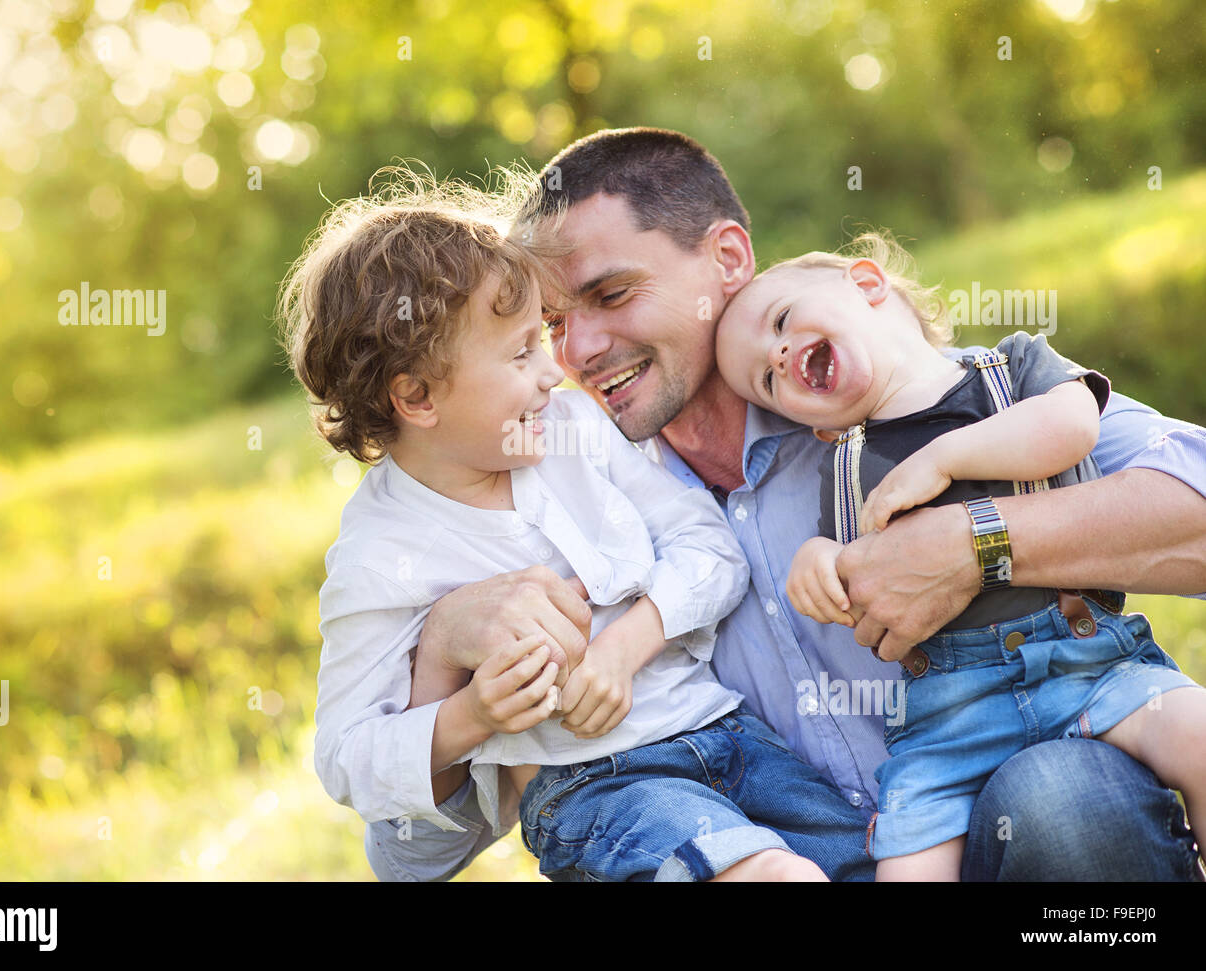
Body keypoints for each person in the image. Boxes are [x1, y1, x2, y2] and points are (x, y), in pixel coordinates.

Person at [365, 128, 1206, 881]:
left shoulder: (917, 394)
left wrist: (977, 539)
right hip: (794, 861)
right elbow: (410, 855)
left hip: (1004, 829)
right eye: (550, 325)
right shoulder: (548, 493)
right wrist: (441, 649)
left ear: (728, 259)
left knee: (1062, 795)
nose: (578, 350)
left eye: (612, 296)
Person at [279, 170, 875, 881]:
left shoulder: (575, 433)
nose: (552, 372)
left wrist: (627, 644)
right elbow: (348, 756)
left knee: (871, 862)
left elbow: (707, 544)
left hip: (725, 733)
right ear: (416, 396)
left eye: (544, 338)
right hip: (601, 788)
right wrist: (471, 713)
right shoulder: (381, 551)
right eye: (521, 351)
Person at [713, 236, 1206, 880]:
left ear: (867, 283)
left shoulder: (1011, 370)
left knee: (1198, 737)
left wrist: (944, 461)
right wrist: (816, 560)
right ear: (817, 428)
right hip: (948, 717)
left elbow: (1070, 429)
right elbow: (854, 564)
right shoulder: (846, 462)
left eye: (781, 322)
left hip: (1086, 663)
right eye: (769, 381)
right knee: (904, 865)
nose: (779, 355)